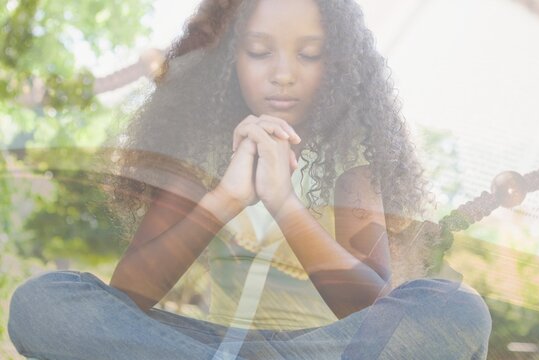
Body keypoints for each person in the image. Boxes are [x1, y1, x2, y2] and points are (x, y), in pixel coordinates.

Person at [7, 0, 492, 358]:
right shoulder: (201, 146)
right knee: (42, 302)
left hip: (322, 350)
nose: (283, 74)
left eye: (308, 55)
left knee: (457, 308)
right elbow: (129, 292)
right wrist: (227, 197)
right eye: (260, 52)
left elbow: (370, 310)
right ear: (229, 61)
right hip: (200, 345)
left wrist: (284, 202)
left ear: (337, 66)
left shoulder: (352, 156)